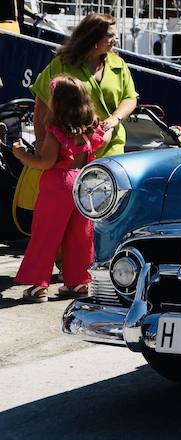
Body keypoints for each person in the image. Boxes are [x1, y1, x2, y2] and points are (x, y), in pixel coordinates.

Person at [13, 75, 106, 301]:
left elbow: (46, 162)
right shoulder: (89, 129)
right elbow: (103, 139)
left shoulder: (56, 132)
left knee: (46, 234)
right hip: (83, 185)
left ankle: (38, 285)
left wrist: (21, 154)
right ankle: (78, 282)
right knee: (80, 235)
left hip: (59, 185)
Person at [32, 13, 137, 157]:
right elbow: (42, 106)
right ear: (92, 36)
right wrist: (40, 146)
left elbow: (130, 98)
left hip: (111, 148)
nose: (115, 41)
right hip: (71, 151)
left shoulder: (118, 64)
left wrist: (115, 118)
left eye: (115, 36)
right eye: (109, 36)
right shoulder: (62, 65)